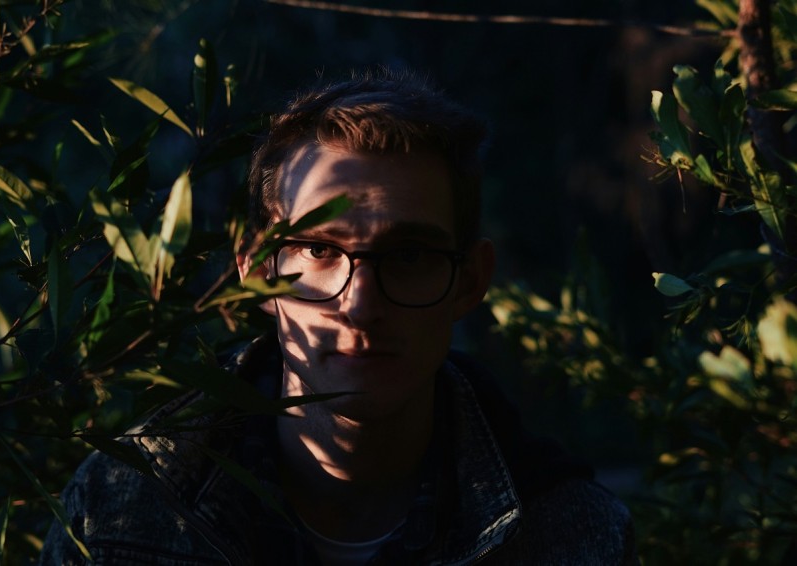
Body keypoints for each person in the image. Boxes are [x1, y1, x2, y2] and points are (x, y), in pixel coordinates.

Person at [41, 70, 637, 564]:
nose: (360, 303)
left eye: (409, 255)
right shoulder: (121, 507)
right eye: (321, 250)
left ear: (471, 281)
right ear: (256, 269)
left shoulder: (573, 537)